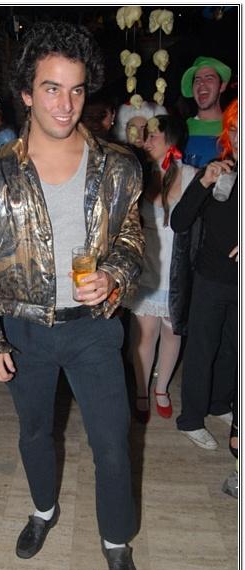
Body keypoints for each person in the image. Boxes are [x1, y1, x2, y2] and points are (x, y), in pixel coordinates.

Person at [0, 22, 145, 570]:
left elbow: (132, 243)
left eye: (76, 89)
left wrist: (113, 275)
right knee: (35, 433)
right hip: (24, 331)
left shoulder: (119, 167)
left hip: (94, 329)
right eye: (51, 88)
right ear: (26, 92)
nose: (65, 104)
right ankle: (43, 510)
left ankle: (116, 541)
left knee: (112, 445)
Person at [170, 99, 238, 451]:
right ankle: (191, 419)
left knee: (233, 348)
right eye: (235, 129)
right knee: (201, 348)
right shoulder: (218, 172)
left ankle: (219, 403)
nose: (239, 137)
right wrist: (203, 183)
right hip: (210, 277)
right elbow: (178, 221)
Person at [126, 115, 197, 422]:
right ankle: (142, 391)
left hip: (177, 273)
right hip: (147, 270)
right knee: (144, 335)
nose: (147, 140)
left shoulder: (191, 175)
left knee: (171, 333)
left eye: (153, 135)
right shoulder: (139, 173)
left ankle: (162, 388)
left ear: (171, 140)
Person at [180, 56, 232, 167]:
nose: (202, 84)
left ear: (222, 86)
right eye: (197, 80)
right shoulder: (180, 131)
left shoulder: (234, 129)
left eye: (209, 79)